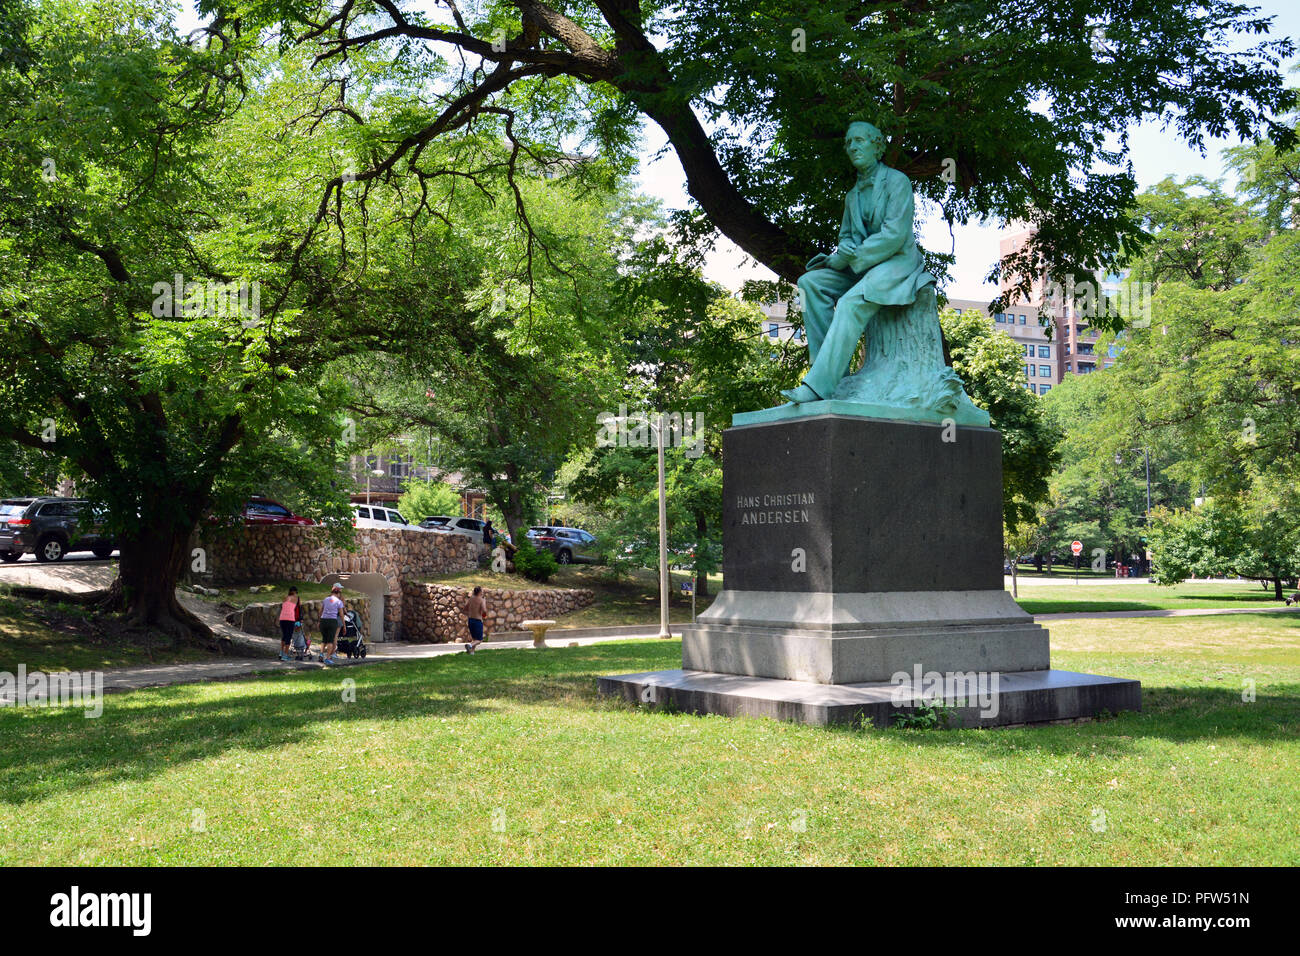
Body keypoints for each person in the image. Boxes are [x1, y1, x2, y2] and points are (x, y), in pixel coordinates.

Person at [319, 583, 345, 665]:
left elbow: (321, 611)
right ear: (337, 593)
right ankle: (328, 658)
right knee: (330, 641)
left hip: (323, 620)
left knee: (324, 639)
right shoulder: (339, 601)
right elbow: (341, 614)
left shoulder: (325, 599)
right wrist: (344, 625)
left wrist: (319, 621)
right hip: (332, 621)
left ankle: (321, 654)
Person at [278, 587, 301, 661]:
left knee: (284, 636)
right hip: (290, 619)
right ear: (295, 592)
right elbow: (299, 607)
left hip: (282, 618)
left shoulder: (284, 598)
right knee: (288, 637)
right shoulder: (296, 598)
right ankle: (285, 655)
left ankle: (281, 653)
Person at [464, 585, 487, 653]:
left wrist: (471, 612)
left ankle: (471, 652)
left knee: (474, 639)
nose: (483, 592)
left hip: (470, 620)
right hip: (477, 621)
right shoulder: (481, 600)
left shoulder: (471, 599)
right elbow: (484, 611)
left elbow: (465, 609)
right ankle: (470, 645)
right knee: (479, 640)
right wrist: (484, 615)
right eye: (482, 591)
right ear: (480, 592)